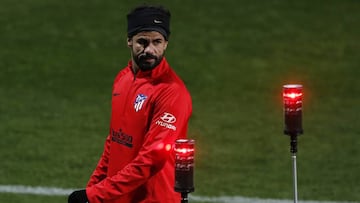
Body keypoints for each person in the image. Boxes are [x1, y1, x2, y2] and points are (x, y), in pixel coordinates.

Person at [68, 4, 192, 203]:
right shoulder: (122, 79)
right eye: (142, 42)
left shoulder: (172, 93)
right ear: (129, 41)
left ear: (166, 44)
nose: (149, 50)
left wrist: (93, 195)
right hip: (119, 197)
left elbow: (151, 160)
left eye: (157, 42)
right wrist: (93, 189)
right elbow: (114, 142)